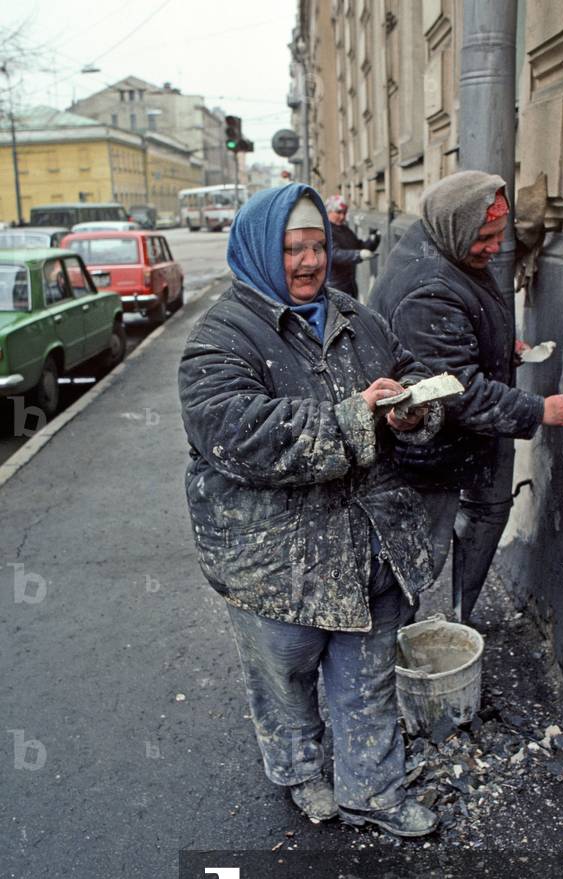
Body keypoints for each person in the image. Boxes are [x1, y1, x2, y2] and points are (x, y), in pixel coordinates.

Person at [178, 183, 443, 838]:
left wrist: (414, 411)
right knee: (286, 681)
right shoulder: (219, 339)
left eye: (317, 245)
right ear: (260, 252)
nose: (307, 262)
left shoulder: (358, 319)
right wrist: (356, 417)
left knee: (368, 683)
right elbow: (239, 434)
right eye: (291, 248)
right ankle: (301, 773)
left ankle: (372, 794)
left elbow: (408, 375)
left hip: (365, 548)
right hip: (274, 565)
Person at [370, 170, 563, 618]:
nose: (496, 248)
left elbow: (452, 341)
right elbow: (454, 392)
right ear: (456, 226)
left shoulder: (444, 247)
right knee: (417, 562)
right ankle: (399, 652)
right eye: (486, 237)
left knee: (484, 513)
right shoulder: (427, 289)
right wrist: (539, 409)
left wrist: (494, 345)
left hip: (458, 447)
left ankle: (453, 621)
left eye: (500, 234)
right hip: (428, 458)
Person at [325, 194, 381, 297]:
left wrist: (373, 240)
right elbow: (334, 253)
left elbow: (358, 245)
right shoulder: (325, 231)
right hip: (334, 287)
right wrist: (359, 254)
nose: (342, 216)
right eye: (338, 212)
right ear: (328, 211)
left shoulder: (344, 229)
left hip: (349, 285)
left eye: (344, 213)